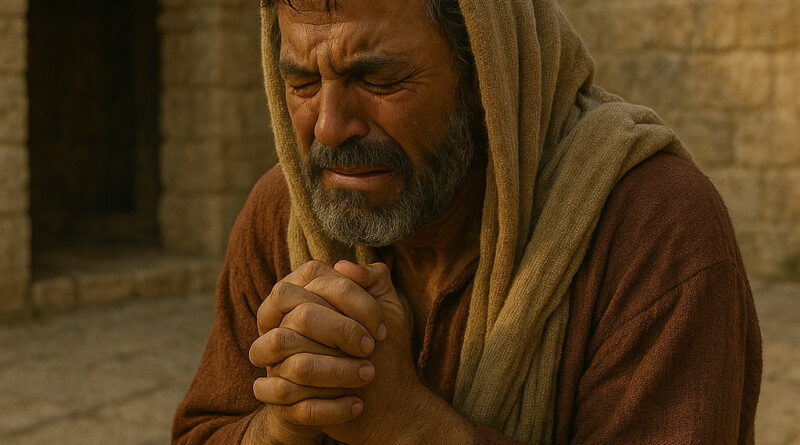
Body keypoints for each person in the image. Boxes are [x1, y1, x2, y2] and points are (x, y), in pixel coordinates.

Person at [172, 0, 762, 443]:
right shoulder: (284, 213)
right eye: (301, 82)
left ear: (487, 75)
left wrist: (407, 423)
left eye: (379, 80)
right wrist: (281, 423)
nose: (329, 127)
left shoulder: (652, 224)